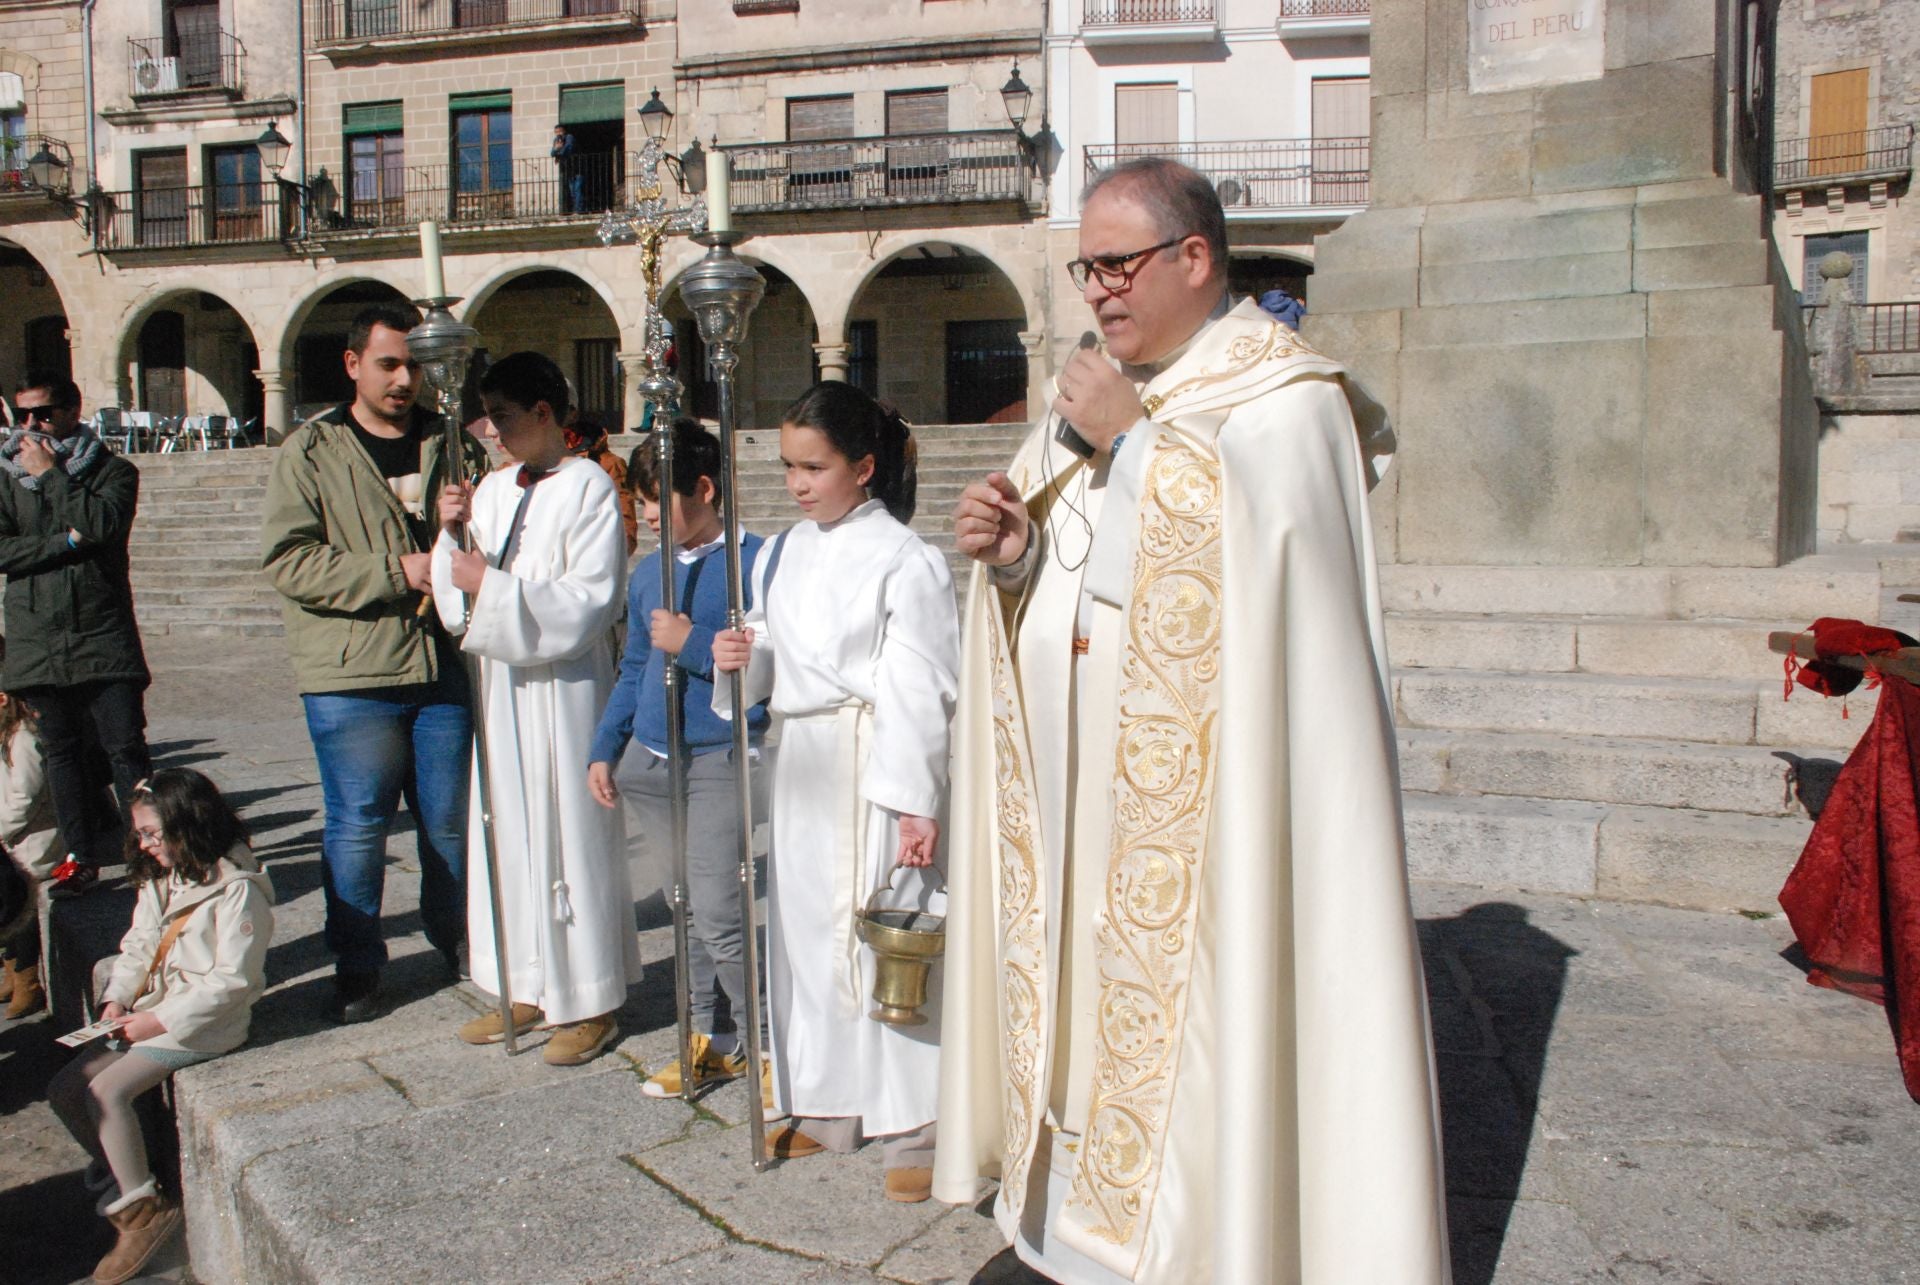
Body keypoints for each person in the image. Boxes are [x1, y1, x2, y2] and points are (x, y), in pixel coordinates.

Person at [935, 157, 1449, 1283]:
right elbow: (1075, 577)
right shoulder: (1092, 396)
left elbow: (1265, 590)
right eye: (1085, 269)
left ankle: (1200, 1248)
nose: (1097, 291)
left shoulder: (1288, 400)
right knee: (1079, 1008)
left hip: (1213, 823)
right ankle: (1064, 1229)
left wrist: (1136, 447)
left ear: (1197, 257)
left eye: (1116, 265)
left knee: (1204, 1023)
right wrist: (1014, 557)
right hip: (1081, 806)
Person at [712, 382, 959, 1206]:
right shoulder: (781, 550)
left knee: (886, 931)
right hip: (803, 759)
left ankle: (917, 1119)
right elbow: (772, 646)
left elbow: (920, 681)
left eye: (814, 467)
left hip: (872, 757)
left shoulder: (906, 557)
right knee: (809, 933)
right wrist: (741, 656)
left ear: (864, 466)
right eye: (788, 466)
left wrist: (915, 797)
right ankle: (828, 1101)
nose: (797, 483)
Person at [261, 305, 486, 1024]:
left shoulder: (451, 442)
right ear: (353, 364)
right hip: (352, 674)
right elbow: (290, 561)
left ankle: (457, 940)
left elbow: (489, 544)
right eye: (388, 364)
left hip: (441, 664)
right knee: (359, 823)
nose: (403, 379)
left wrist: (463, 522)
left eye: (413, 365)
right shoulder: (312, 449)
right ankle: (357, 963)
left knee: (448, 822)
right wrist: (398, 569)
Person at [432, 350, 637, 1067]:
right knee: (511, 831)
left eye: (505, 417)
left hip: (566, 687)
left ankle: (587, 997)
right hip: (503, 689)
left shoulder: (588, 487)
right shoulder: (492, 489)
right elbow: (457, 592)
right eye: (487, 416)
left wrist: (489, 587)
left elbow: (589, 598)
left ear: (545, 413)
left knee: (570, 833)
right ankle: (521, 983)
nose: (491, 430)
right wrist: (450, 532)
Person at [589, 419, 769, 1100]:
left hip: (720, 756)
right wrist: (606, 746)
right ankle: (707, 1036)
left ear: (705, 489)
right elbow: (636, 663)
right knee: (684, 905)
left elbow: (764, 667)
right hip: (653, 758)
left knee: (720, 910)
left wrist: (691, 642)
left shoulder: (754, 563)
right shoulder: (648, 575)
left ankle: (767, 1043)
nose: (649, 517)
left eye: (659, 502)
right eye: (640, 504)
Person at [48, 769, 273, 1285]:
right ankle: (126, 1169)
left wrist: (158, 1020)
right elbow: (140, 941)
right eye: (140, 834)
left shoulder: (239, 890)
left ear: (188, 825)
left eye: (153, 833)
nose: (145, 844)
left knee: (107, 1091)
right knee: (65, 1088)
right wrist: (117, 997)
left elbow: (234, 981)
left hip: (203, 1025)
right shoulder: (163, 875)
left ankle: (142, 1213)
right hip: (154, 1009)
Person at [0, 372, 152, 900]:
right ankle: (81, 857)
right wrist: (65, 542)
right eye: (22, 414)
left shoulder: (113, 471)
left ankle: (147, 853)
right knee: (60, 753)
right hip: (36, 637)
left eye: (42, 414)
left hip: (101, 632)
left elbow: (103, 524)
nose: (30, 426)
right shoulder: (5, 477)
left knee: (125, 749)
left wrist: (51, 477)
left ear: (71, 411)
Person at [0, 662, 61, 1020]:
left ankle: (27, 978)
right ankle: (12, 970)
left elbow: (26, 797)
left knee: (13, 896)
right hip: (13, 837)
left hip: (34, 840)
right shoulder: (6, 735)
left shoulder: (23, 739)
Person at [565, 412, 639, 554]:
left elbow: (623, 504)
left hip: (594, 546)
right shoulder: (547, 455)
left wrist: (624, 543)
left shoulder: (610, 463)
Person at [551, 125, 583, 214]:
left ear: (564, 131)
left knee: (577, 189)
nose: (558, 134)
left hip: (577, 168)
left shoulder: (569, 137)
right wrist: (556, 149)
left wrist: (559, 151)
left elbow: (568, 149)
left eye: (560, 131)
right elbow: (552, 153)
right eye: (556, 132)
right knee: (572, 191)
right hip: (568, 169)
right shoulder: (556, 140)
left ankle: (578, 210)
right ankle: (576, 209)